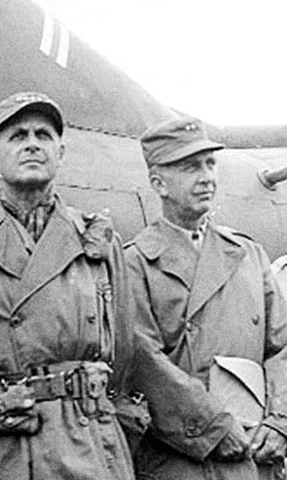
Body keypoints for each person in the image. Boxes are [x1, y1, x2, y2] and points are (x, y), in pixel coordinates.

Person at [0, 91, 136, 480]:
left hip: (85, 440)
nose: (31, 144)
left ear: (60, 152)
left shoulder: (98, 244)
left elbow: (124, 355)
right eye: (17, 135)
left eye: (43, 135)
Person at [124, 117, 287, 480]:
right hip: (178, 460)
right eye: (189, 166)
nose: (206, 177)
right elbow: (143, 359)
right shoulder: (134, 263)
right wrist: (215, 428)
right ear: (158, 183)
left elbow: (282, 345)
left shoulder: (248, 253)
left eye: (210, 164)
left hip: (254, 455)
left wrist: (280, 422)